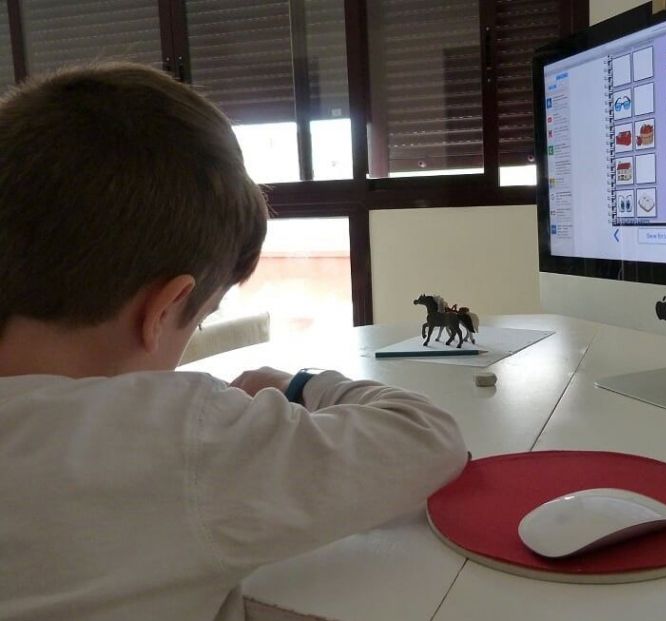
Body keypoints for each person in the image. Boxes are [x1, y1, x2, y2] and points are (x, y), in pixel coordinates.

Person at [0, 63, 468, 621]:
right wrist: (297, 384)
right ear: (163, 309)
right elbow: (428, 440)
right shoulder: (174, 435)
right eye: (194, 322)